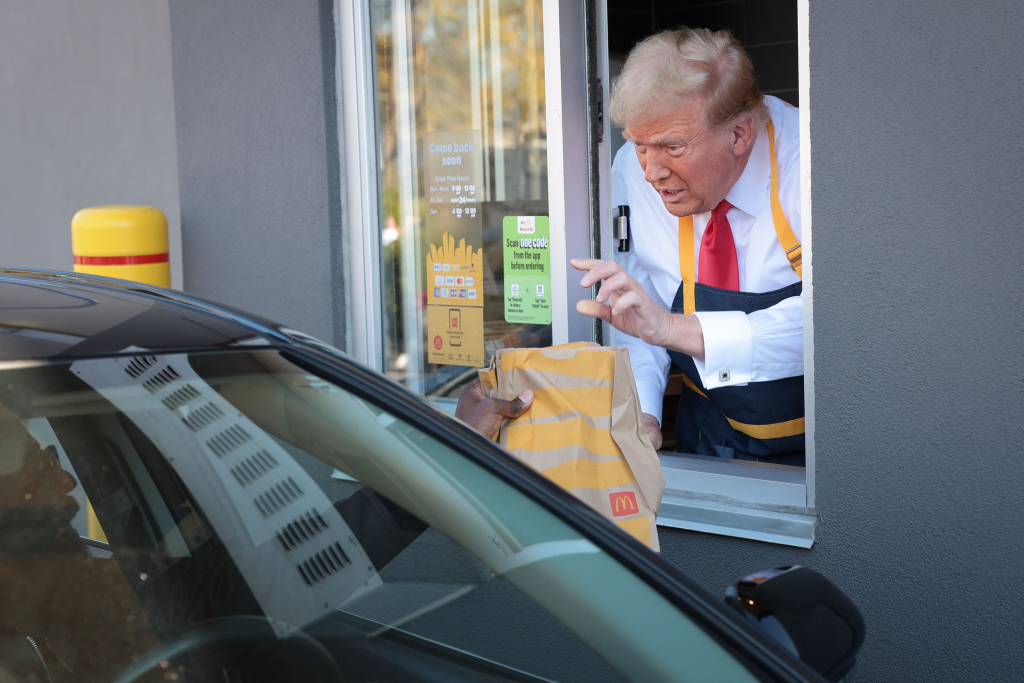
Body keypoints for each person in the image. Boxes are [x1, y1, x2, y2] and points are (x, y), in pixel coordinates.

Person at [573, 28, 806, 465]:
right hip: (707, 439)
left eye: (672, 147)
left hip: (821, 459)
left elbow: (833, 325)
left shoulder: (811, 164)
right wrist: (643, 412)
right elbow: (640, 313)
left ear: (739, 135)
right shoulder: (633, 168)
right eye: (640, 144)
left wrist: (677, 330)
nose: (650, 172)